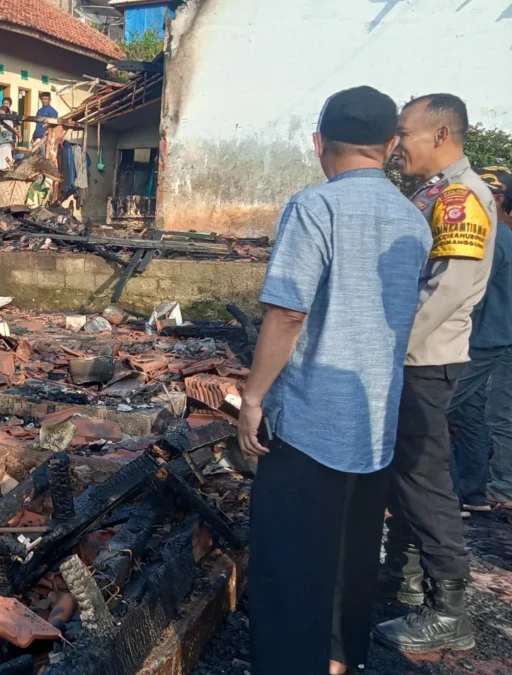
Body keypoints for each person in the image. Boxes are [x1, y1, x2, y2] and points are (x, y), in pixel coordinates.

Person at [236, 87, 430, 675]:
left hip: (309, 425)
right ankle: (340, 660)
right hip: (373, 424)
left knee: (291, 564)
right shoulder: (412, 220)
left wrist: (252, 399)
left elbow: (288, 313)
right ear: (391, 145)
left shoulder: (314, 207)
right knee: (351, 559)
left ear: (319, 143)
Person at [373, 93, 499, 654]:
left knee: (425, 482)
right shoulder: (433, 194)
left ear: (442, 136)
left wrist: (388, 352)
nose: (396, 146)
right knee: (406, 476)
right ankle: (405, 579)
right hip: (417, 356)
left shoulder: (459, 200)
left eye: (406, 134)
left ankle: (450, 611)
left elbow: (444, 291)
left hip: (423, 360)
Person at [448, 168, 512, 513]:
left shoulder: (495, 239)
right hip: (489, 339)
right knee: (471, 415)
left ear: (497, 199)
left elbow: (470, 293)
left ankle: (443, 495)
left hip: (481, 341)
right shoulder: (501, 236)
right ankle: (472, 494)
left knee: (432, 413)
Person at [0, 104, 18, 170]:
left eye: (2, 114)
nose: (0, 116)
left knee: (4, 167)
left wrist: (2, 124)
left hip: (4, 146)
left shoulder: (9, 122)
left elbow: (7, 135)